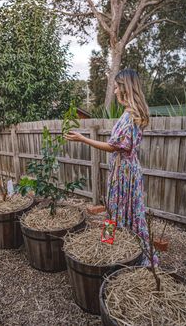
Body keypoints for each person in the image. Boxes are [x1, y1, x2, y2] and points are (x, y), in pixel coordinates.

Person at [64, 68, 158, 266]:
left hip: (125, 172)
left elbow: (116, 147)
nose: (114, 91)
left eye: (116, 87)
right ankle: (110, 246)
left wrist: (83, 139)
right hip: (119, 169)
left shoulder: (132, 115)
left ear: (125, 88)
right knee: (115, 209)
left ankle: (125, 250)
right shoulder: (128, 113)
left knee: (123, 210)